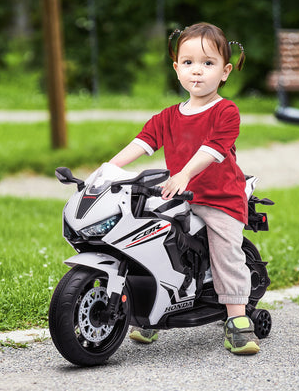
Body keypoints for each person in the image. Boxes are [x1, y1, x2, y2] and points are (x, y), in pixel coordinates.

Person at [109, 22, 259, 355]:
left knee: (226, 252)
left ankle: (237, 319)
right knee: (148, 240)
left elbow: (213, 148)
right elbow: (142, 142)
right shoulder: (167, 116)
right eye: (188, 62)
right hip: (179, 196)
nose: (197, 70)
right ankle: (153, 308)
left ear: (225, 71)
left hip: (219, 198)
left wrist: (184, 174)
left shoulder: (226, 111)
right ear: (176, 68)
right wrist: (108, 169)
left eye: (208, 63)